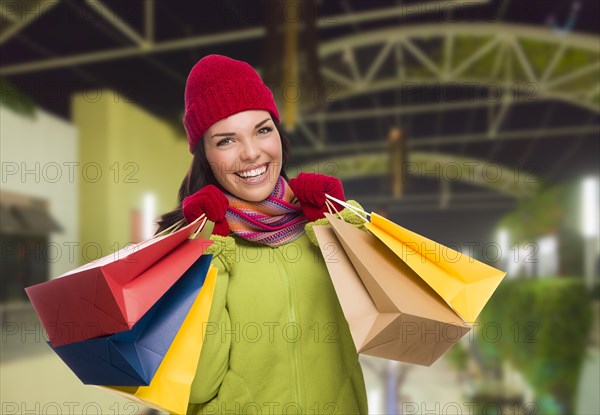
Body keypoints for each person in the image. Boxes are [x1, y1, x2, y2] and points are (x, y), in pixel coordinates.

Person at [155, 55, 368, 414]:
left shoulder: (323, 223)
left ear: (279, 133)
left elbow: (386, 322)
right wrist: (207, 249)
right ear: (205, 155)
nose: (252, 153)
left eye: (262, 129)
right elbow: (199, 384)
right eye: (226, 140)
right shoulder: (190, 244)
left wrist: (342, 224)